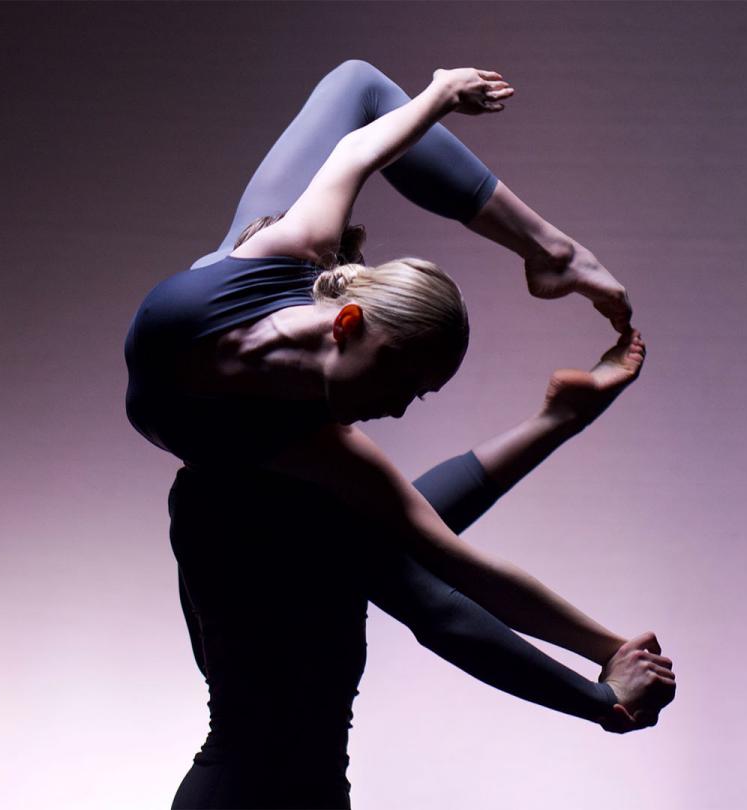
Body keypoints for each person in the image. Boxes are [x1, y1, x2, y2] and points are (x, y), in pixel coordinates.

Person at [123, 59, 676, 809]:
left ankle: (551, 261)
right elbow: (445, 602)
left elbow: (447, 558)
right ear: (349, 322)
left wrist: (605, 658)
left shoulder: (312, 451)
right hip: (227, 308)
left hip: (232, 418)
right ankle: (550, 253)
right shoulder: (289, 255)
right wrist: (442, 93)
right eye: (404, 382)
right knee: (355, 98)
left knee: (359, 91)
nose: (406, 409)